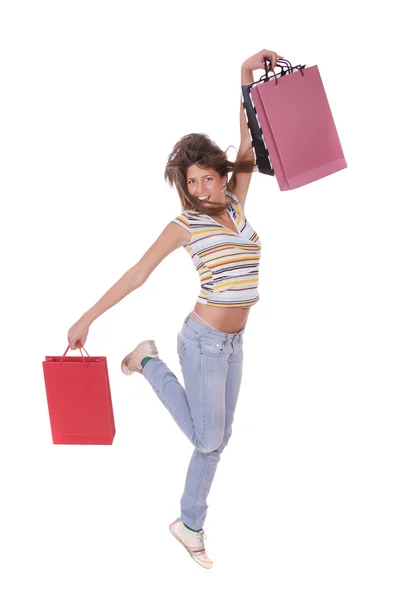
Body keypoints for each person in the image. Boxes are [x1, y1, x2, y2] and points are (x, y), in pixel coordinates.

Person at [67, 48, 283, 569]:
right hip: (203, 340)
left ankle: (189, 524)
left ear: (218, 175)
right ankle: (149, 363)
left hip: (233, 341)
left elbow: (248, 143)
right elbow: (138, 274)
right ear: (182, 186)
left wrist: (243, 77)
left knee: (218, 439)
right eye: (192, 182)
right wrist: (88, 317)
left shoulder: (234, 202)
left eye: (209, 177)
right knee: (209, 438)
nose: (202, 188)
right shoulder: (183, 226)